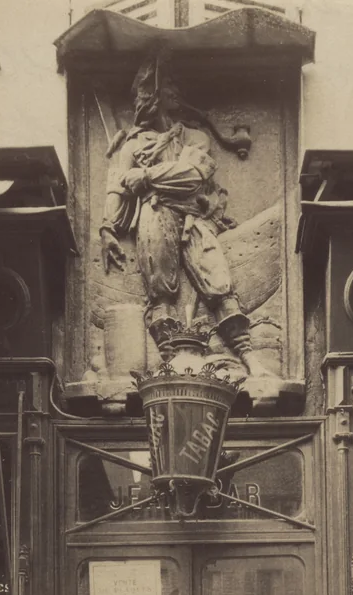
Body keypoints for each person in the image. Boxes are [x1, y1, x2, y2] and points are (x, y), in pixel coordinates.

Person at [99, 55, 265, 374]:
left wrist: (146, 176)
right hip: (154, 213)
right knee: (160, 293)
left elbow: (193, 174)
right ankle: (170, 365)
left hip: (193, 216)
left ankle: (250, 359)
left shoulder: (196, 138)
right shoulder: (133, 146)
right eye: (169, 85)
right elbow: (118, 189)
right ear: (154, 95)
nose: (176, 90)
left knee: (219, 282)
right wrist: (108, 228)